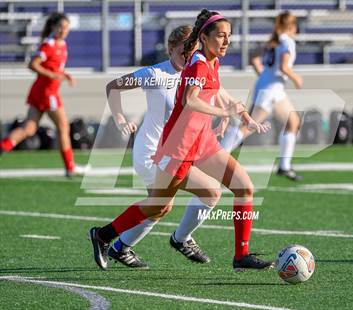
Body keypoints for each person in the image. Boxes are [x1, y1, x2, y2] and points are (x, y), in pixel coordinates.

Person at [89, 9, 273, 272]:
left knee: (243, 187)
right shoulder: (193, 65)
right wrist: (224, 113)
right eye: (221, 36)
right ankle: (104, 235)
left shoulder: (211, 62)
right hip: (177, 147)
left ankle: (239, 255)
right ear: (204, 37)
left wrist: (245, 118)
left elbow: (220, 94)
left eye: (229, 36)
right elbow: (189, 100)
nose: (227, 42)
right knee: (158, 206)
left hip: (203, 143)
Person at [104, 25, 222, 268]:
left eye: (193, 52)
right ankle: (181, 239)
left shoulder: (195, 74)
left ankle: (119, 246)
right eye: (183, 52)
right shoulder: (156, 74)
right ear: (170, 50)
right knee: (208, 192)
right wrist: (120, 119)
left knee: (160, 207)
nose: (189, 57)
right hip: (151, 154)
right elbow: (113, 87)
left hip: (174, 154)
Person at [220, 11, 303, 181]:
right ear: (291, 27)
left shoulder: (272, 41)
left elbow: (255, 60)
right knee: (248, 126)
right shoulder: (287, 42)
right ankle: (218, 156)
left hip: (271, 88)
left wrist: (265, 77)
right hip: (271, 90)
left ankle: (284, 166)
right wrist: (296, 79)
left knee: (293, 122)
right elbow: (283, 67)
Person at [0, 12, 84, 177]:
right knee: (63, 127)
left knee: (29, 129)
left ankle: (2, 147)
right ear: (53, 27)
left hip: (40, 91)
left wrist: (65, 75)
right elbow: (33, 64)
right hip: (47, 93)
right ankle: (70, 167)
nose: (63, 30)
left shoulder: (62, 45)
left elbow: (55, 68)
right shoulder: (49, 44)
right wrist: (52, 75)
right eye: (60, 27)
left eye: (66, 28)